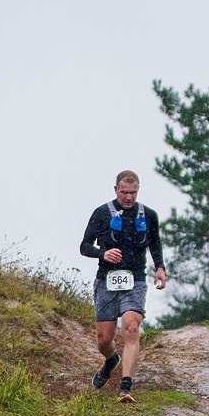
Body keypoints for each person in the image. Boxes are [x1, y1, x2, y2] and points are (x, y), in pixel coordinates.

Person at [79, 170, 167, 398]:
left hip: (135, 279)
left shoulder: (148, 215)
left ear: (138, 190)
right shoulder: (101, 214)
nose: (129, 197)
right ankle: (111, 360)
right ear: (116, 189)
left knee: (131, 327)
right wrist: (103, 254)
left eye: (133, 193)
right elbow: (84, 246)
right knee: (104, 340)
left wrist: (160, 268)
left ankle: (125, 386)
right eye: (125, 192)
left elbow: (155, 243)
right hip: (106, 280)